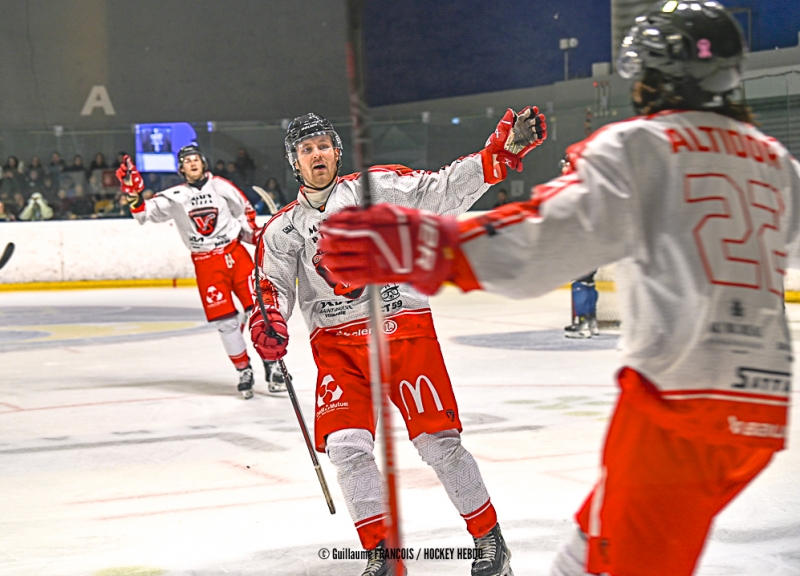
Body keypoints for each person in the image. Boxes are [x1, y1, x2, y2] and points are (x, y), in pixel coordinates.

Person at [318, 3, 798, 576]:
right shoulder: (775, 162)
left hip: (677, 406)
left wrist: (416, 246)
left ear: (658, 76)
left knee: (615, 563)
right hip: (761, 409)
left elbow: (537, 246)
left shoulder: (640, 147)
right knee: (586, 554)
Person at [250, 110, 545, 576]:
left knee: (437, 442)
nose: (317, 154)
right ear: (295, 161)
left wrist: (497, 156)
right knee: (346, 447)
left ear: (336, 150)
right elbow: (272, 287)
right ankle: (382, 556)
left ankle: (491, 541)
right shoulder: (282, 230)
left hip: (400, 328)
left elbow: (441, 192)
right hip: (338, 346)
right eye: (306, 149)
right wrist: (269, 323)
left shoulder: (376, 189)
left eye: (323, 145)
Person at [116, 143, 290, 398]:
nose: (193, 163)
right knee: (226, 323)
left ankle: (272, 366)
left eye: (196, 158)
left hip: (236, 256)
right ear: (181, 168)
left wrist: (259, 236)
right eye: (187, 160)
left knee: (261, 312)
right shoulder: (173, 196)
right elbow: (142, 213)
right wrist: (133, 193)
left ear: (203, 162)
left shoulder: (222, 186)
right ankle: (244, 370)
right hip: (206, 264)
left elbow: (245, 214)